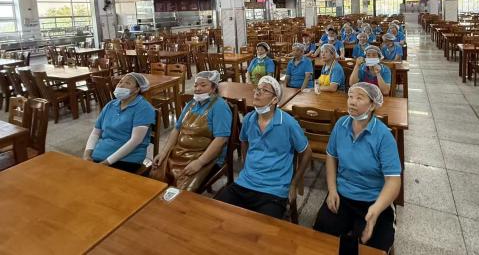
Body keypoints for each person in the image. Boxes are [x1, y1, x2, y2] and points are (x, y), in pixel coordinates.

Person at [313, 82, 401, 253]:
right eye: (350, 97)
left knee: (373, 245)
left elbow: (393, 181)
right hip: (343, 195)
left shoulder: (383, 136)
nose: (352, 102)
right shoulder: (341, 125)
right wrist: (332, 190)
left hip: (374, 200)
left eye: (359, 98)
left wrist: (376, 210)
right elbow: (331, 156)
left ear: (372, 105)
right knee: (321, 237)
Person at [216, 76, 312, 218]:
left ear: (274, 100)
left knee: (262, 227)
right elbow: (244, 141)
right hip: (246, 182)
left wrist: (294, 183)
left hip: (274, 189)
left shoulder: (288, 123)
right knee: (216, 211)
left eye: (265, 90)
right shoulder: (249, 119)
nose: (258, 92)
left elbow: (307, 152)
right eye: (258, 89)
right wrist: (246, 166)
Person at [150, 71, 232, 190]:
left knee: (182, 190)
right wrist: (164, 152)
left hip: (204, 157)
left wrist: (200, 162)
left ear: (213, 88)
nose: (197, 89)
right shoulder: (191, 104)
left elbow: (221, 139)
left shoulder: (219, 106)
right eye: (195, 85)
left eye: (203, 85)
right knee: (155, 178)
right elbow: (177, 129)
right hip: (180, 153)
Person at [83, 73, 155, 172]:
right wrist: (87, 154)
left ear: (137, 90)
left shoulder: (143, 108)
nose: (121, 85)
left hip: (127, 159)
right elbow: (96, 132)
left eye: (127, 83)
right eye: (120, 82)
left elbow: (135, 141)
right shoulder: (110, 105)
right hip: (99, 154)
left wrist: (106, 163)